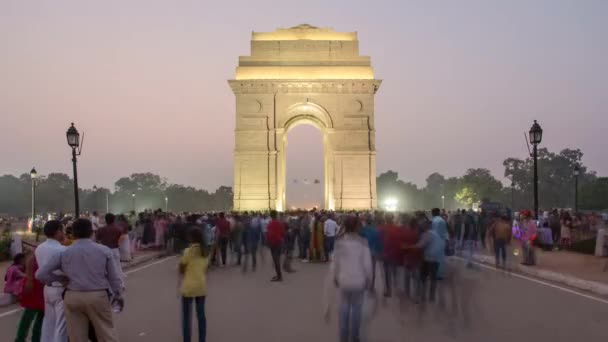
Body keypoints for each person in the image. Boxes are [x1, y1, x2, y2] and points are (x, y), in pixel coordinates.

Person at [36, 218, 122, 342]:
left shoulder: (64, 252)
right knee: (106, 333)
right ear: (92, 232)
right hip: (97, 296)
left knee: (76, 337)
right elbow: (114, 278)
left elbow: (40, 274)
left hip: (72, 296)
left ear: (73, 234)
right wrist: (117, 295)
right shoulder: (104, 250)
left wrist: (58, 279)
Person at [330, 216, 372, 342]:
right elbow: (367, 263)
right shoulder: (363, 242)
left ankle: (343, 337)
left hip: (343, 279)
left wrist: (335, 276)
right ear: (357, 226)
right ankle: (354, 337)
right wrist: (369, 279)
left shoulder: (339, 242)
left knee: (343, 308)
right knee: (357, 310)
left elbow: (335, 262)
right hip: (359, 280)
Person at [35, 220, 68, 342]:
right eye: (62, 229)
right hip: (60, 288)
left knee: (48, 322)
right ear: (58, 231)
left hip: (47, 288)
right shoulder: (62, 250)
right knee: (61, 325)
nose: (64, 232)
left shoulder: (39, 248)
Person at [179, 227, 210, 342]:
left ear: (191, 238)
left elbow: (182, 268)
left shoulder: (188, 251)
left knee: (187, 318)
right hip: (201, 287)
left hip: (188, 288)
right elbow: (206, 268)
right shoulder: (206, 252)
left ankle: (187, 340)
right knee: (201, 316)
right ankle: (202, 339)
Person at [15, 255, 45, 342]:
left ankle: (36, 338)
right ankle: (20, 339)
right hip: (34, 287)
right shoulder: (41, 249)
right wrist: (29, 280)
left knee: (41, 317)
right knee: (28, 315)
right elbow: (31, 259)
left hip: (44, 288)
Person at [96, 213, 124, 287]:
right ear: (114, 219)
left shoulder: (102, 229)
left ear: (106, 220)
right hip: (114, 249)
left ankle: (108, 284)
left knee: (105, 269)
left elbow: (97, 239)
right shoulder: (118, 229)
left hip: (104, 250)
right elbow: (121, 238)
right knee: (117, 267)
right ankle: (121, 284)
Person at [359, 214, 382, 290]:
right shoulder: (376, 230)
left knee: (364, 268)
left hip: (364, 251)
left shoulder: (362, 230)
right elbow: (379, 242)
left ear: (365, 222)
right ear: (372, 222)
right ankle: (372, 285)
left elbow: (360, 241)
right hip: (374, 251)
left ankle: (366, 283)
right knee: (373, 268)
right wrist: (379, 252)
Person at [266, 210, 286, 282]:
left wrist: (267, 243)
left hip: (272, 243)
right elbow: (283, 233)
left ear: (271, 216)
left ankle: (279, 276)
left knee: (276, 260)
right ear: (276, 215)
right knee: (277, 259)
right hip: (279, 242)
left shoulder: (270, 224)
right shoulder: (280, 223)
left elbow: (268, 235)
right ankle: (278, 275)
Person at [430, 208, 449, 278]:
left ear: (433, 213)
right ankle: (439, 274)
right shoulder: (442, 220)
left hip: (435, 241)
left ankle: (435, 273)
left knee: (435, 258)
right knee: (440, 258)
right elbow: (445, 232)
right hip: (441, 241)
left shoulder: (433, 221)